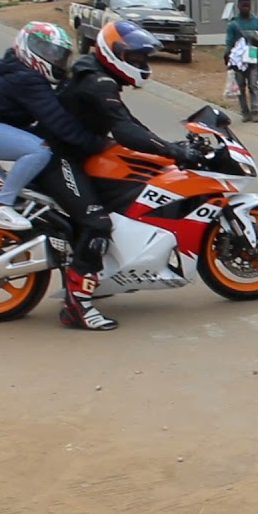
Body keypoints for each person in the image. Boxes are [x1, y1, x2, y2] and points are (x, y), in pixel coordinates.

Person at [49, 20, 204, 331]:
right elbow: (124, 130)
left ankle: (94, 274)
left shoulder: (97, 74)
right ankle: (77, 307)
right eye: (135, 58)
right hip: (57, 158)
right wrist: (175, 152)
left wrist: (167, 147)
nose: (141, 64)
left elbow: (127, 122)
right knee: (97, 221)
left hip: (76, 154)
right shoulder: (98, 82)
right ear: (114, 53)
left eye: (142, 58)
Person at [0, 22, 103, 231]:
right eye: (49, 52)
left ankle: (22, 197)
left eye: (60, 54)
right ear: (29, 48)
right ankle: (0, 206)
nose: (56, 59)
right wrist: (96, 144)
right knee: (39, 150)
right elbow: (58, 121)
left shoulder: (26, 75)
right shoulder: (27, 79)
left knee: (40, 145)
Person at [224, 0, 258, 122]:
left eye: (248, 6)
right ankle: (245, 112)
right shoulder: (233, 24)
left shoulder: (257, 22)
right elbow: (229, 43)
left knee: (253, 85)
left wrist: (257, 39)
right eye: (243, 6)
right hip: (238, 60)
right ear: (238, 7)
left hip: (252, 56)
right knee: (241, 86)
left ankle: (255, 112)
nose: (246, 8)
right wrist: (228, 56)